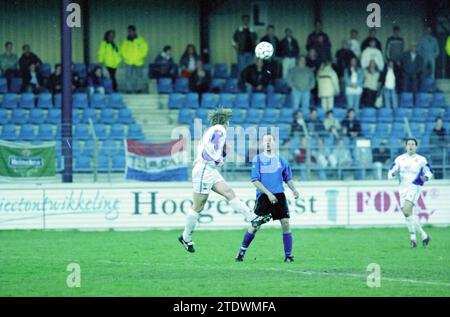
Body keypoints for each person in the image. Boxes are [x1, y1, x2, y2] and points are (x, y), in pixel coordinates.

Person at [178, 109, 271, 253]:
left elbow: (214, 146)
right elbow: (210, 147)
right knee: (198, 205)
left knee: (228, 192)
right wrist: (218, 158)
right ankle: (185, 237)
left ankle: (253, 217)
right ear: (225, 121)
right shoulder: (219, 129)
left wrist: (222, 154)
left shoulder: (212, 130)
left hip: (209, 169)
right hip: (204, 168)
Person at [235, 133, 300, 262]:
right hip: (264, 196)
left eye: (270, 140)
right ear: (262, 144)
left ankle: (288, 256)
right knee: (255, 226)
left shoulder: (281, 160)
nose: (268, 143)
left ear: (274, 143)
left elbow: (288, 178)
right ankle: (242, 251)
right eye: (265, 141)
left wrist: (294, 189)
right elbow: (255, 180)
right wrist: (268, 193)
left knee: (286, 223)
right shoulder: (258, 159)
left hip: (279, 195)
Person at [388, 138, 433, 248]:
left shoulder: (421, 159)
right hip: (402, 188)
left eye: (413, 144)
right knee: (407, 214)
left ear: (416, 147)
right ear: (405, 146)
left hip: (414, 186)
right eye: (409, 144)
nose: (410, 146)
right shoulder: (399, 159)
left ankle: (413, 238)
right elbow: (390, 173)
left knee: (407, 210)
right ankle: (423, 236)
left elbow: (429, 171)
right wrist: (394, 173)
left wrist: (425, 178)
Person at [120, 25, 149, 93]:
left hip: (138, 61)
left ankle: (139, 89)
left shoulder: (140, 40)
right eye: (129, 31)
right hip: (128, 61)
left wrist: (141, 56)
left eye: (131, 31)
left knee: (139, 76)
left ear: (134, 31)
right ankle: (129, 89)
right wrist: (126, 57)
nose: (130, 32)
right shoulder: (125, 41)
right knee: (128, 76)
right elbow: (122, 50)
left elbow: (145, 49)